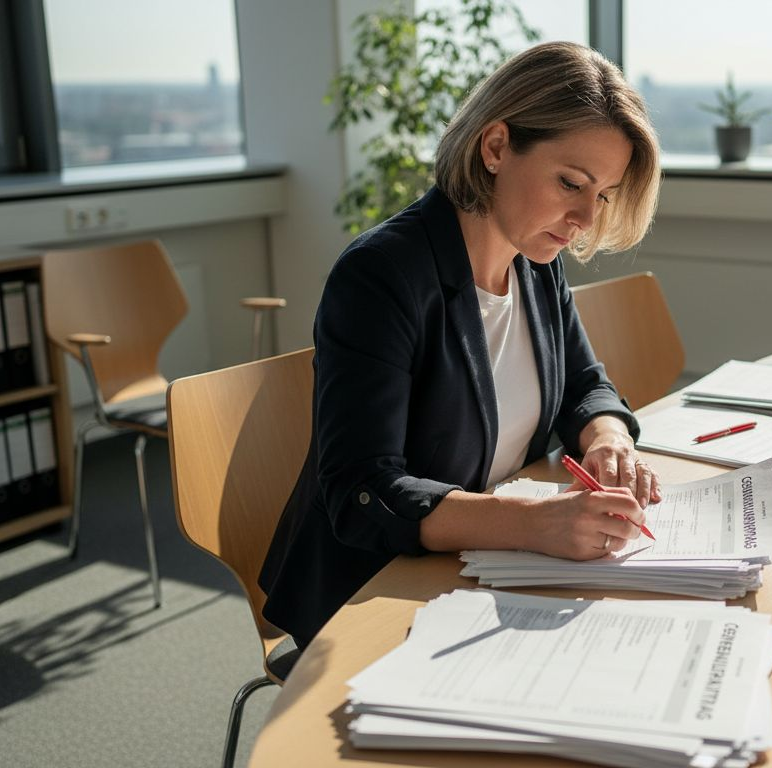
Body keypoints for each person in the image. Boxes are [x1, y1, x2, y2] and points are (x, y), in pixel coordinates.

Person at [258, 42, 665, 649]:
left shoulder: (535, 260)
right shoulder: (381, 275)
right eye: (571, 183)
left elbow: (584, 384)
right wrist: (532, 525)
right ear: (496, 147)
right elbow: (362, 491)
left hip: (486, 574)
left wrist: (609, 439)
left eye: (601, 194)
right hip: (375, 591)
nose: (585, 216)